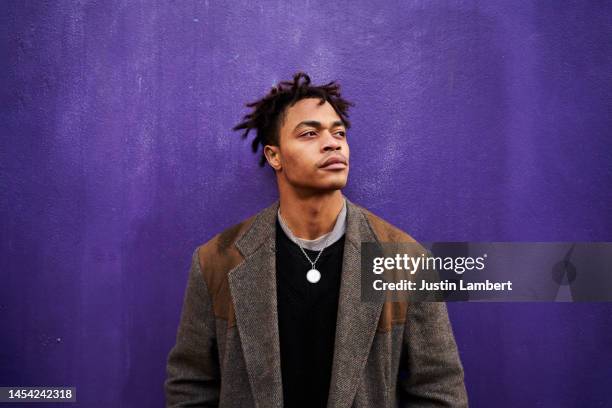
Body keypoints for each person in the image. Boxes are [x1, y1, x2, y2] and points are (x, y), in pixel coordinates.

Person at [164, 72, 468, 407]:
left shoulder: (405, 260)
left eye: (339, 133)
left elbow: (439, 389)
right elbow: (190, 386)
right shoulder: (217, 260)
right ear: (274, 156)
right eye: (310, 133)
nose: (332, 142)